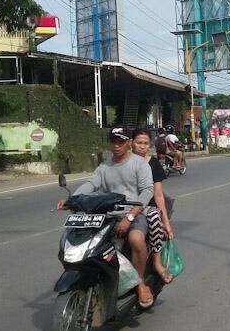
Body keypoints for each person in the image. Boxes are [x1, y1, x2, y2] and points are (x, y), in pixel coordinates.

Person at [55, 126, 155, 307]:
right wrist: (72, 199)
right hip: (107, 214)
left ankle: (140, 283)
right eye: (113, 141)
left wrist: (130, 217)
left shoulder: (139, 164)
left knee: (136, 239)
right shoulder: (104, 167)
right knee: (88, 242)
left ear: (128, 143)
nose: (116, 145)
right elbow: (91, 184)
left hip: (134, 212)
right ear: (109, 143)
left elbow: (147, 191)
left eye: (121, 141)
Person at [131, 128, 175, 284]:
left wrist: (166, 222)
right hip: (125, 207)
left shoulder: (153, 163)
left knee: (154, 218)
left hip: (147, 208)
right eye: (139, 143)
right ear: (131, 143)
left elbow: (158, 194)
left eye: (145, 143)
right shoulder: (124, 162)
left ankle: (156, 261)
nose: (142, 146)